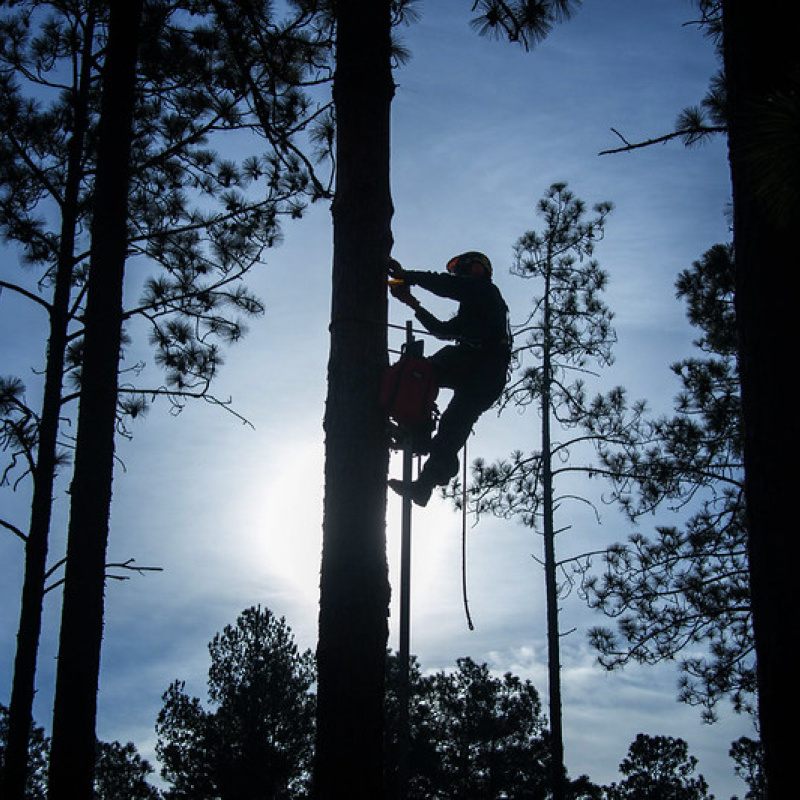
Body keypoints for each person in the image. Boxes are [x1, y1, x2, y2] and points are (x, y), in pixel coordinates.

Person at [387, 251, 511, 506]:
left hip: (484, 367)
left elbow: (446, 286)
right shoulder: (471, 309)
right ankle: (423, 479)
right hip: (480, 369)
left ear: (477, 270)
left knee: (434, 388)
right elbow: (442, 331)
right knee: (447, 417)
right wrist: (413, 303)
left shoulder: (486, 292)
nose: (459, 276)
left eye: (463, 271)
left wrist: (407, 276)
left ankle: (418, 438)